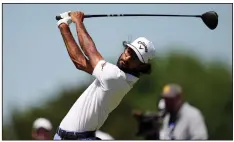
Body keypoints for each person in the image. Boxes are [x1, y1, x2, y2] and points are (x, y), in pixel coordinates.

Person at [54, 11, 156, 140]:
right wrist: (63, 26)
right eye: (129, 51)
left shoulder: (116, 77)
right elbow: (80, 62)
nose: (127, 57)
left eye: (135, 57)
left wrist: (77, 21)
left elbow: (89, 50)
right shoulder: (116, 76)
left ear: (142, 66)